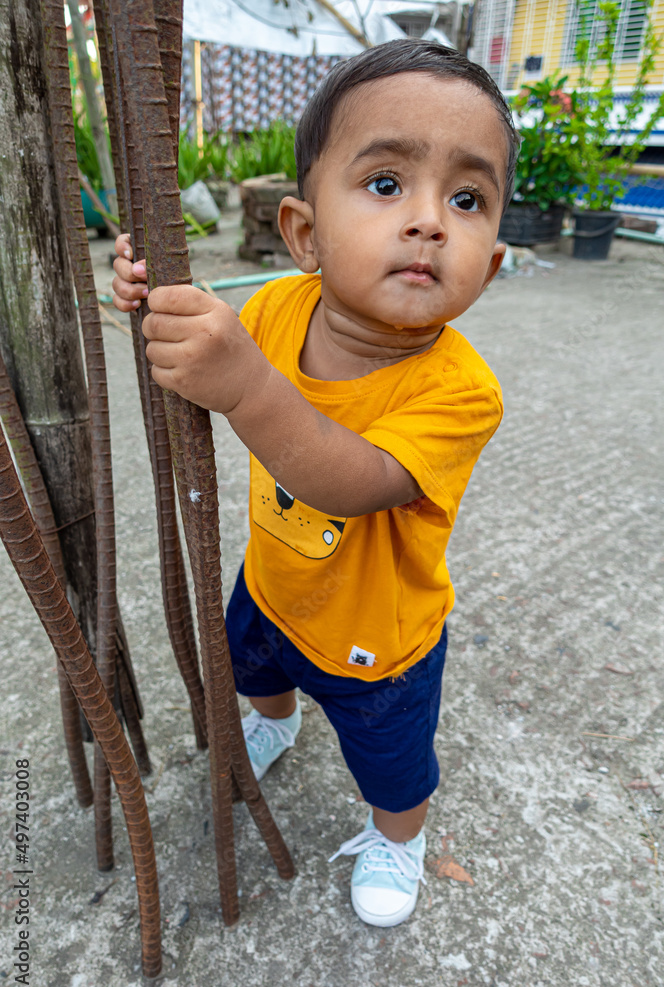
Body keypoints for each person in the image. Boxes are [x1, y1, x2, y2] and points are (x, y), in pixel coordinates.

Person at [112, 38, 519, 928]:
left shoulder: (459, 391)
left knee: (393, 768)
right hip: (272, 585)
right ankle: (277, 720)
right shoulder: (277, 308)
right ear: (302, 233)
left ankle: (397, 839)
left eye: (466, 198)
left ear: (489, 265)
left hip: (380, 643)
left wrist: (246, 387)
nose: (429, 221)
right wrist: (160, 302)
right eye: (386, 183)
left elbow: (354, 479)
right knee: (252, 668)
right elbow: (217, 345)